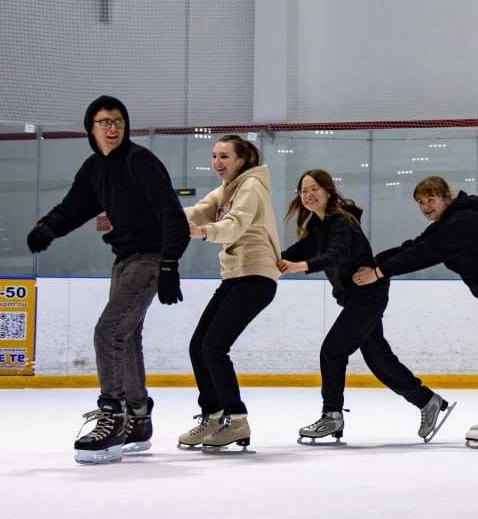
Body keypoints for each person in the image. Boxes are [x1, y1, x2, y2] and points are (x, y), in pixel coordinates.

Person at [25, 95, 189, 464]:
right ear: (91, 128)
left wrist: (169, 264)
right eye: (104, 122)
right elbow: (74, 207)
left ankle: (113, 415)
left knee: (109, 331)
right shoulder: (94, 168)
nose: (112, 128)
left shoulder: (140, 161)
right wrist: (47, 226)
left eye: (118, 121)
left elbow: (171, 213)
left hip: (149, 258)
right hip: (124, 260)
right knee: (125, 336)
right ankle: (138, 418)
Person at [354, 176, 478, 448]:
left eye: (431, 199)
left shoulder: (460, 223)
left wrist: (379, 272)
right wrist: (375, 262)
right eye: (420, 202)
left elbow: (424, 254)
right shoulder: (449, 222)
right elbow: (416, 246)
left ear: (446, 198)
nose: (426, 206)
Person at [278, 169, 448, 444]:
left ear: (328, 191)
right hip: (360, 296)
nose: (308, 196)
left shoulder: (342, 222)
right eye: (303, 191)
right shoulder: (319, 225)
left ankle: (332, 415)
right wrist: (273, 258)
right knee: (379, 360)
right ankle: (427, 401)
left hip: (367, 296)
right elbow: (301, 249)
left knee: (332, 351)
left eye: (313, 189)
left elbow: (337, 254)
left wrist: (300, 267)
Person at [178, 135, 281, 453]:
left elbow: (234, 224)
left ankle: (236, 420)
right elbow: (198, 211)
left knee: (213, 346)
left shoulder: (251, 187)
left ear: (242, 159)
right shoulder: (227, 189)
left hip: (256, 276)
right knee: (199, 346)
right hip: (237, 276)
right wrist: (157, 216)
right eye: (214, 156)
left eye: (224, 156)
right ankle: (213, 415)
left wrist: (206, 232)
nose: (217, 162)